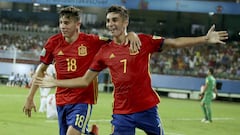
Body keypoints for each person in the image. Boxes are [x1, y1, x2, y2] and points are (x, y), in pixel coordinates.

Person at [35, 5, 228, 135]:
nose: (111, 24)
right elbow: (85, 80)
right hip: (121, 113)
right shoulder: (104, 51)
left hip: (147, 109)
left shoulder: (142, 41)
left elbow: (174, 43)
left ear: (125, 22)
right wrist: (56, 82)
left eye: (115, 20)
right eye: (108, 20)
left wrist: (204, 39)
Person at [22, 6, 141, 135]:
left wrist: (131, 34)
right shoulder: (53, 42)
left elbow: (117, 40)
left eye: (67, 23)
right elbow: (41, 70)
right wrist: (30, 96)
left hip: (83, 100)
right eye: (61, 22)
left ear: (78, 24)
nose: (62, 26)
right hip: (61, 100)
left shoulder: (91, 41)